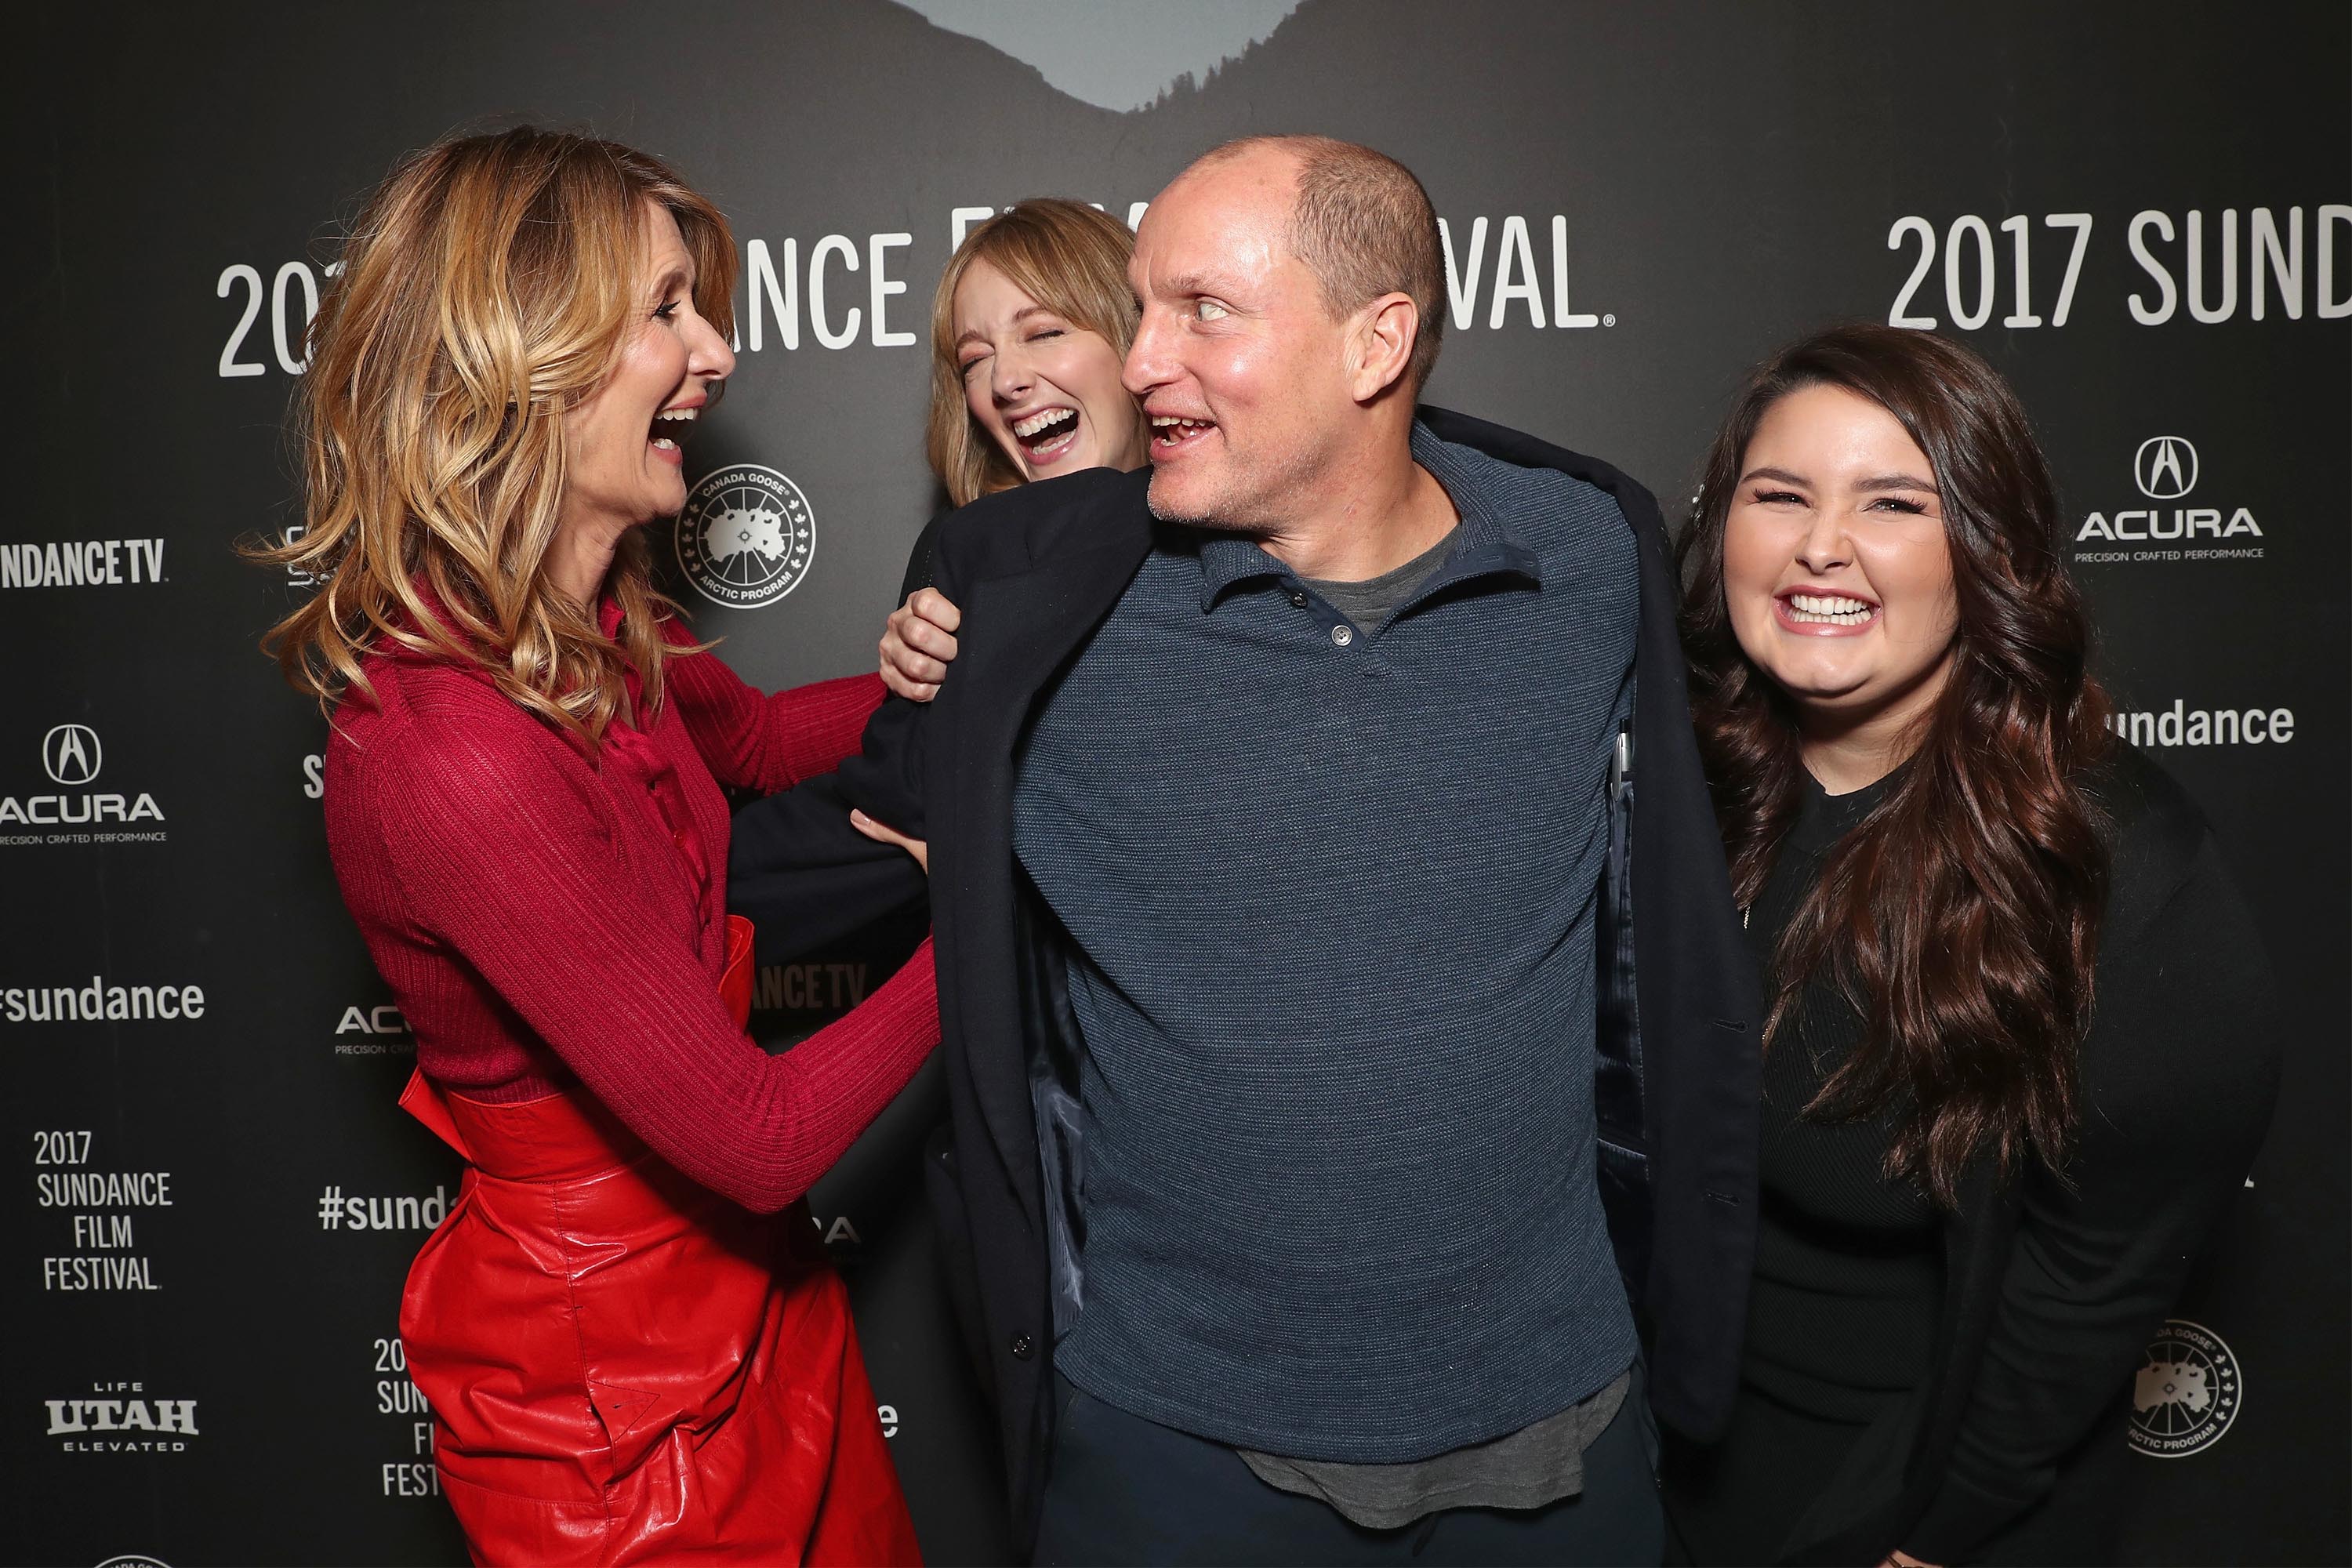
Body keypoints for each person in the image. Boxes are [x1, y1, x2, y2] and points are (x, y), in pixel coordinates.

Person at [731, 134, 1762, 1566]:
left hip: (1563, 1444)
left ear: (1377, 339)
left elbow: (1679, 914)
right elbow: (842, 843)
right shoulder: (1023, 601)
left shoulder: (1588, 552)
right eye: (1139, 309)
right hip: (1169, 1459)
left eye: (1202, 310)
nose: (1141, 359)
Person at [249, 128, 934, 1566]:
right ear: (527, 354)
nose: (719, 353)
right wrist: (996, 914)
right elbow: (754, 1138)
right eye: (668, 311)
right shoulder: (450, 753)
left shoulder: (591, 608)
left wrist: (978, 671)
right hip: (610, 1405)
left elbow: (745, 747)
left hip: (761, 1301)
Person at [1660, 323, 2278, 1566]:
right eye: (1778, 495)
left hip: (1923, 1496)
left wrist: (1931, 1540)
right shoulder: (1666, 790)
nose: (1820, 545)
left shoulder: (2110, 863)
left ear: (1986, 552)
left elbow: (2091, 1278)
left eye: (1892, 502)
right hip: (1661, 1484)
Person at [880, 198, 1148, 703]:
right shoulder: (961, 553)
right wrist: (921, 677)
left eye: (1044, 333)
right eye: (976, 360)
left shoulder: (1239, 528)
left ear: (1138, 337)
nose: (1004, 381)